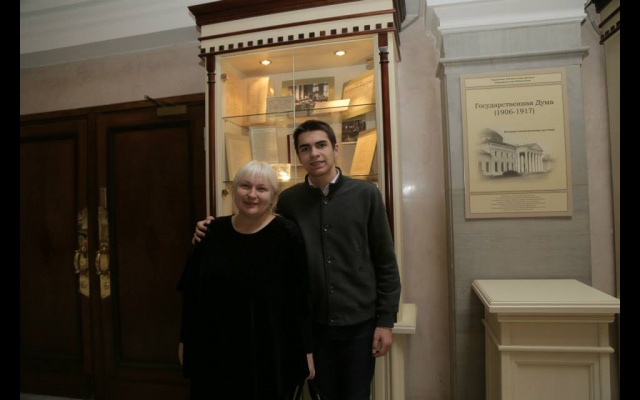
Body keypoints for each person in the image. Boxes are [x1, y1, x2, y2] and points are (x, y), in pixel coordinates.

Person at [193, 120, 401, 400]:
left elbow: (385, 261)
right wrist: (213, 228)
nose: (314, 153)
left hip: (359, 324)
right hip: (312, 327)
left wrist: (385, 321)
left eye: (321, 145)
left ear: (335, 149)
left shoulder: (366, 195)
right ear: (298, 156)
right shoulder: (289, 200)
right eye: (305, 148)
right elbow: (258, 228)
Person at [178, 160, 315, 400]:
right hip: (215, 349)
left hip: (268, 351)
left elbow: (300, 299)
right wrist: (184, 341)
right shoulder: (211, 232)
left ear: (273, 197)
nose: (252, 194)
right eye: (245, 186)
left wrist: (306, 352)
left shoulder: (287, 234)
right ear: (234, 191)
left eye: (261, 189)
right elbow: (192, 295)